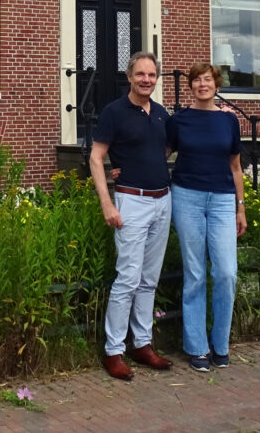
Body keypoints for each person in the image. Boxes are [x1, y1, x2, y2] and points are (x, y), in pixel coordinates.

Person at [88, 51, 174, 381]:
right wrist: (107, 203)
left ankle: (142, 343)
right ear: (129, 76)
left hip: (162, 201)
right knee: (128, 278)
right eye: (140, 74)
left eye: (152, 75)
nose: (146, 80)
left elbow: (163, 150)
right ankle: (113, 350)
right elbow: (97, 158)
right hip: (132, 202)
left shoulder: (162, 114)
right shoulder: (114, 112)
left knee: (149, 278)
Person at [167, 60, 247, 372]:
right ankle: (197, 347)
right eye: (197, 80)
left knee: (226, 272)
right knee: (195, 273)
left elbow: (236, 167)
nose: (203, 85)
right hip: (187, 196)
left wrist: (241, 207)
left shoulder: (230, 121)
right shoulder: (179, 120)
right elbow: (161, 153)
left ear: (216, 86)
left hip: (223, 201)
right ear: (190, 86)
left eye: (208, 80)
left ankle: (221, 344)